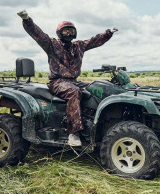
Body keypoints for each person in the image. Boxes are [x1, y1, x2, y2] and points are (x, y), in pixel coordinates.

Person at [17, 10, 118, 146]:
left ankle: (96, 123)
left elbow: (95, 41)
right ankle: (73, 133)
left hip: (73, 81)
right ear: (60, 33)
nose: (69, 33)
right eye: (65, 31)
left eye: (71, 31)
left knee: (98, 87)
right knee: (73, 92)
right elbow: (38, 34)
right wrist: (27, 19)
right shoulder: (52, 44)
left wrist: (108, 33)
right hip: (57, 82)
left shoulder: (79, 46)